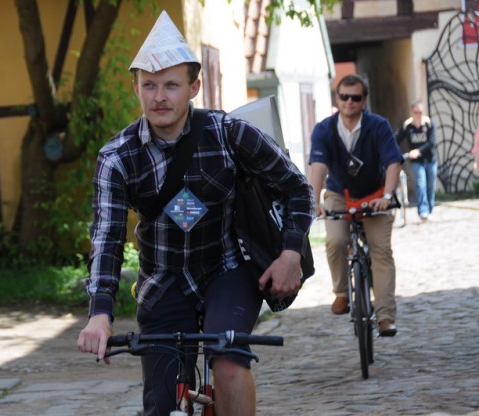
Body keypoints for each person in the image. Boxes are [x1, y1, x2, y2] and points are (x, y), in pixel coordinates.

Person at [76, 11, 315, 416]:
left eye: (171, 85)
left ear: (194, 88)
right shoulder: (116, 158)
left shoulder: (229, 134)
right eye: (149, 85)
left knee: (228, 361)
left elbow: (298, 188)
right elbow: (107, 237)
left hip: (226, 269)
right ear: (136, 87)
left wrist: (290, 253)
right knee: (161, 402)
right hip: (162, 280)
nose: (159, 97)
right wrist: (100, 313)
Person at [309, 74, 403, 337]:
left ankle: (385, 316)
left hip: (375, 196)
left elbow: (393, 163)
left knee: (380, 250)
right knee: (335, 241)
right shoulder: (324, 129)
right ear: (337, 98)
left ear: (364, 100)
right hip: (340, 193)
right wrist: (314, 201)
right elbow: (318, 167)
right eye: (344, 97)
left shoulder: (378, 126)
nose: (349, 102)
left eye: (356, 97)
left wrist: (387, 195)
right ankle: (341, 293)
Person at [395, 100, 438, 220]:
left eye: (421, 112)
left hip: (430, 159)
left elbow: (432, 142)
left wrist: (418, 150)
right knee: (421, 183)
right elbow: (396, 139)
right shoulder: (407, 126)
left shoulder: (429, 124)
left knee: (430, 185)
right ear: (412, 112)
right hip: (416, 162)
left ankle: (430, 209)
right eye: (416, 112)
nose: (418, 114)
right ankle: (423, 211)